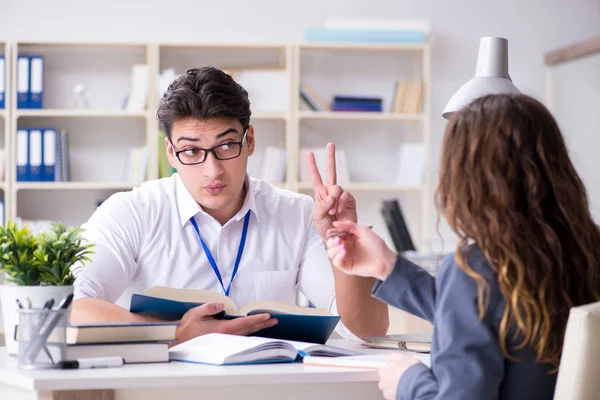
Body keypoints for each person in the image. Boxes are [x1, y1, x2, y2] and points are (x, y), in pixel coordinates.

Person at [70, 67, 388, 343]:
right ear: (170, 152)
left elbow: (367, 331)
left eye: (225, 145)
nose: (213, 170)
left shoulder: (301, 214)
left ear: (249, 141)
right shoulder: (130, 213)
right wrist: (174, 333)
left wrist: (345, 243)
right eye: (192, 151)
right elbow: (70, 307)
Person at [325, 93, 600, 400]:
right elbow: (487, 314)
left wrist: (409, 381)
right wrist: (388, 266)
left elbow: (478, 308)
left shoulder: (478, 270)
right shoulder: (583, 252)